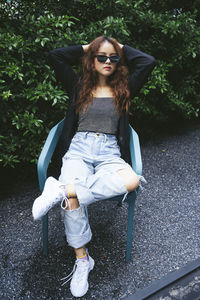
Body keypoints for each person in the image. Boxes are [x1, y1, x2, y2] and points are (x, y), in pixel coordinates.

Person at [32, 36, 156, 298]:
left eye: (114, 57)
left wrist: (119, 47)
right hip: (79, 149)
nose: (108, 61)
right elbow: (55, 55)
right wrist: (88, 47)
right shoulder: (78, 84)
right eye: (102, 57)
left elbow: (148, 62)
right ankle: (83, 259)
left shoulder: (125, 87)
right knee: (73, 201)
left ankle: (62, 189)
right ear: (92, 60)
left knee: (131, 180)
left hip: (109, 151)